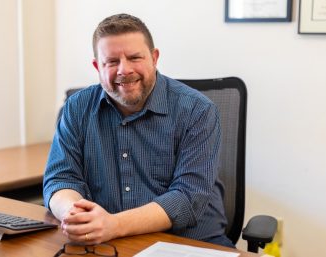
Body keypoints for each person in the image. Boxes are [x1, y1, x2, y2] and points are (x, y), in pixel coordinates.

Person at [43, 13, 234, 248]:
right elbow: (60, 178)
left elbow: (187, 198)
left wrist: (112, 225)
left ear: (154, 58)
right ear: (97, 66)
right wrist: (77, 216)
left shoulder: (197, 110)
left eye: (134, 57)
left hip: (188, 244)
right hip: (106, 243)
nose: (124, 70)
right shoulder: (77, 108)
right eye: (111, 62)